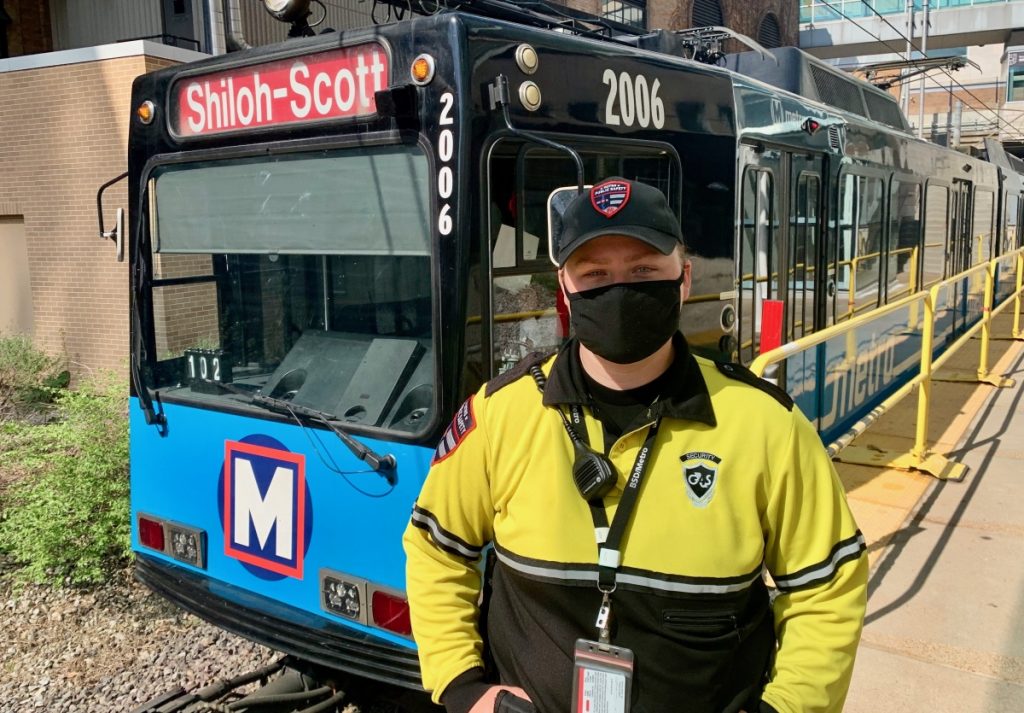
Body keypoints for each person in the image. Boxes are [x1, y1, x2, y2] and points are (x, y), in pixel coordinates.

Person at [403, 178, 868, 713]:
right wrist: (463, 687)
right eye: (595, 274)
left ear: (684, 279)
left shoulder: (767, 424)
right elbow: (436, 548)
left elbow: (827, 586)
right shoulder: (498, 413)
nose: (619, 291)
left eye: (644, 271)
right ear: (565, 289)